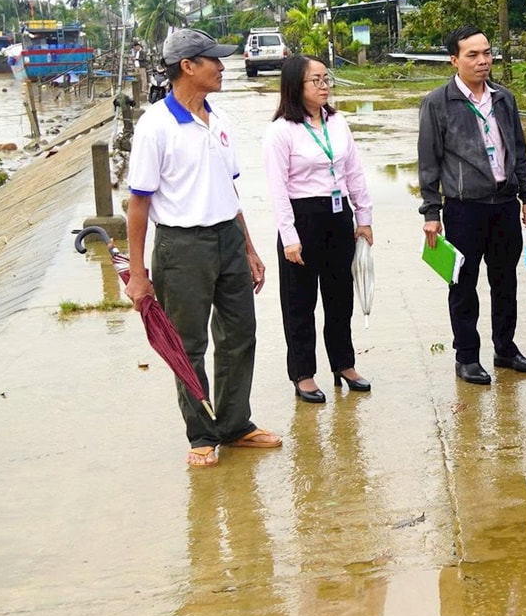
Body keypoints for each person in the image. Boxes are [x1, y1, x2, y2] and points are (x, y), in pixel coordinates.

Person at [125, 27, 282, 467]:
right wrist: (139, 274)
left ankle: (235, 425)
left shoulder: (220, 121)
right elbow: (138, 204)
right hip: (181, 247)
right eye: (213, 59)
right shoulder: (155, 126)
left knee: (239, 335)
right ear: (187, 67)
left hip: (228, 240)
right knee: (187, 345)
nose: (221, 66)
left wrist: (248, 249)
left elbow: (229, 193)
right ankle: (202, 433)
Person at [417, 26, 526, 385]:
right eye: (473, 55)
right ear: (454, 60)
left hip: (503, 205)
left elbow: (517, 148)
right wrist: (431, 213)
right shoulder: (438, 103)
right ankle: (467, 357)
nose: (483, 61)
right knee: (463, 284)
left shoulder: (504, 98)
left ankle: (505, 349)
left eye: (486, 53)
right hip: (463, 208)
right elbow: (428, 162)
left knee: (505, 281)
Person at [264, 54, 375, 403]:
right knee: (300, 302)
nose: (325, 86)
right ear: (297, 86)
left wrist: (364, 217)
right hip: (303, 217)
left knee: (340, 296)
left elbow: (353, 170)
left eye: (327, 79)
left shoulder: (337, 122)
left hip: (337, 215)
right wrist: (289, 236)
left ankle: (344, 363)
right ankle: (303, 373)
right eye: (317, 80)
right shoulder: (281, 131)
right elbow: (278, 188)